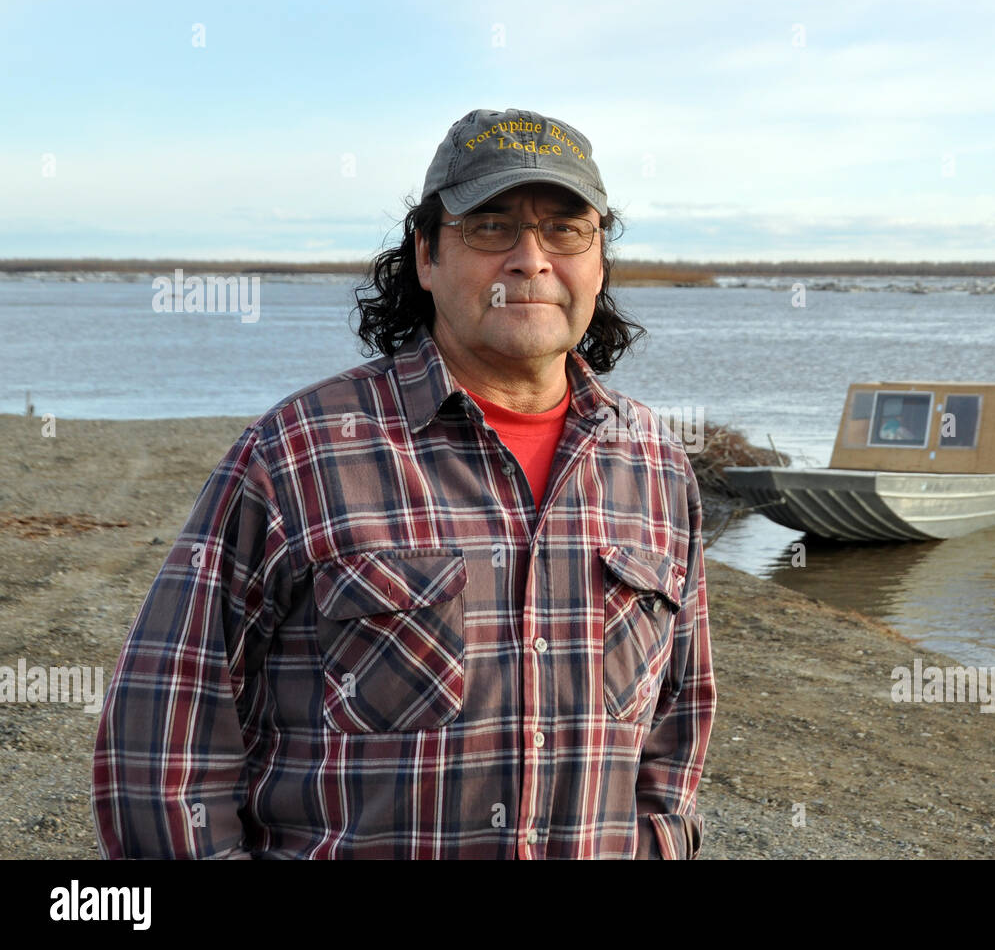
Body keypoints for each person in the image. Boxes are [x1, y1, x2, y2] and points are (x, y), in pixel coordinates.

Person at [92, 108, 716, 859]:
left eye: (565, 229)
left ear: (600, 259)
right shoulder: (299, 455)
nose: (530, 258)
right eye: (490, 226)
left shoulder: (654, 464)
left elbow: (676, 728)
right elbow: (162, 737)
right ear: (425, 255)